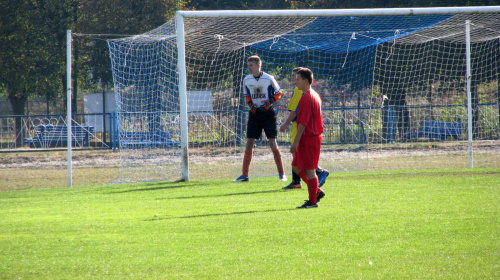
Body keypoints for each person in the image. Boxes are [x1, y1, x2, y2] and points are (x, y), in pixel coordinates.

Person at [233, 55, 287, 182]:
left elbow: (279, 93)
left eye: (251, 65)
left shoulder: (268, 78)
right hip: (254, 114)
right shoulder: (246, 79)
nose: (249, 68)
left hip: (268, 114)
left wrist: (270, 102)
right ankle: (244, 175)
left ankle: (282, 174)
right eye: (248, 65)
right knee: (249, 142)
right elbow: (247, 96)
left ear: (258, 65)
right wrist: (251, 105)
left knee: (272, 142)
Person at [279, 67, 329, 189]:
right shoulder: (306, 92)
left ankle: (316, 179)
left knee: (301, 162)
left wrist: (285, 124)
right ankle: (301, 183)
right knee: (298, 161)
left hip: (303, 130)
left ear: (303, 80)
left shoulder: (303, 93)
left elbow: (297, 113)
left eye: (295, 76)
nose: (293, 78)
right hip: (305, 130)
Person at [291, 68, 325, 208]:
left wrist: (296, 142)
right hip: (310, 137)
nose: (296, 81)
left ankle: (313, 201)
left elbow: (303, 123)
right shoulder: (313, 95)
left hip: (309, 138)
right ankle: (316, 191)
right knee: (297, 167)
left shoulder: (307, 97)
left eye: (298, 79)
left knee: (309, 170)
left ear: (306, 81)